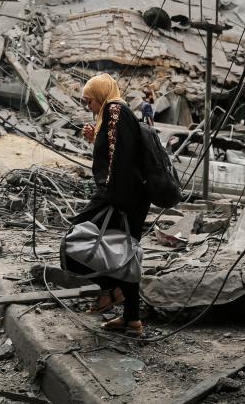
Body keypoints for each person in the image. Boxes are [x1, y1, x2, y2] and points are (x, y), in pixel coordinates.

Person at [66, 73, 151, 336]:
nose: (88, 108)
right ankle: (132, 320)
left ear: (101, 96)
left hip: (121, 194)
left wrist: (113, 197)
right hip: (128, 194)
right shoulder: (113, 114)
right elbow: (116, 150)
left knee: (73, 240)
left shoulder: (114, 109)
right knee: (125, 253)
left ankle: (111, 289)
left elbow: (118, 159)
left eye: (89, 102)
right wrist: (96, 138)